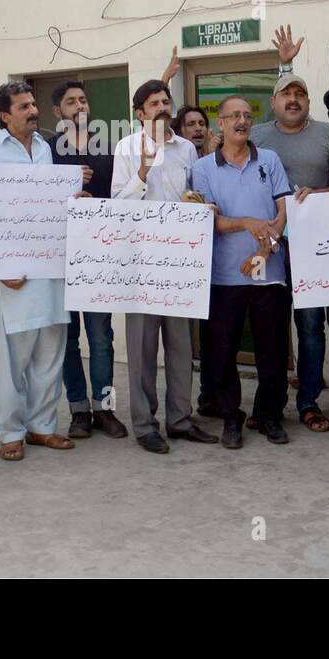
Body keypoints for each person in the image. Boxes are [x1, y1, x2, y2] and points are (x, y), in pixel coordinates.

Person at [111, 80, 218, 453]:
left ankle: (179, 420)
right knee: (141, 350)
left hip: (179, 264)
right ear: (140, 113)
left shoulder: (186, 148)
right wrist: (141, 173)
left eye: (165, 101)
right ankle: (144, 425)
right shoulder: (125, 148)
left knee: (179, 347)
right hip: (140, 264)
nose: (161, 107)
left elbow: (195, 195)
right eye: (153, 103)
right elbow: (116, 206)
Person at [0, 81, 80, 461]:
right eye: (23, 106)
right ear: (5, 116)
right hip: (14, 273)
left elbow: (47, 204)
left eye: (33, 104)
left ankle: (42, 428)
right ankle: (11, 432)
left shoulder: (46, 149)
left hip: (51, 267)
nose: (33, 110)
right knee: (13, 361)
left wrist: (73, 201)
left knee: (50, 354)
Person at [250, 70, 329, 434]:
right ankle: (270, 403)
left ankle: (308, 401)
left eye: (300, 94)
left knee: (310, 326)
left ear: (308, 102)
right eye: (285, 94)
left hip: (316, 248)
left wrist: (316, 194)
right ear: (273, 102)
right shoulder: (258, 136)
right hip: (269, 246)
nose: (293, 100)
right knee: (271, 327)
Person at [190, 96, 293, 448]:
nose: (241, 121)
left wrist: (264, 249)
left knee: (274, 349)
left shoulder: (270, 160)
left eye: (248, 115)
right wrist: (246, 223)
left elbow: (283, 211)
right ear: (220, 123)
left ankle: (269, 416)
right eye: (234, 115)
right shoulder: (203, 168)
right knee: (221, 352)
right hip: (223, 275)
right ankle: (230, 417)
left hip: (270, 272)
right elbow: (207, 219)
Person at [46, 80, 127, 439]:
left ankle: (105, 409)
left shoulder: (109, 149)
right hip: (58, 257)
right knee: (67, 340)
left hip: (97, 256)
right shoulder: (44, 152)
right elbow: (31, 200)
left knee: (101, 338)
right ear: (56, 112)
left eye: (83, 99)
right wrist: (65, 187)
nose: (79, 105)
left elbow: (120, 198)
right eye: (70, 101)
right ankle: (78, 410)